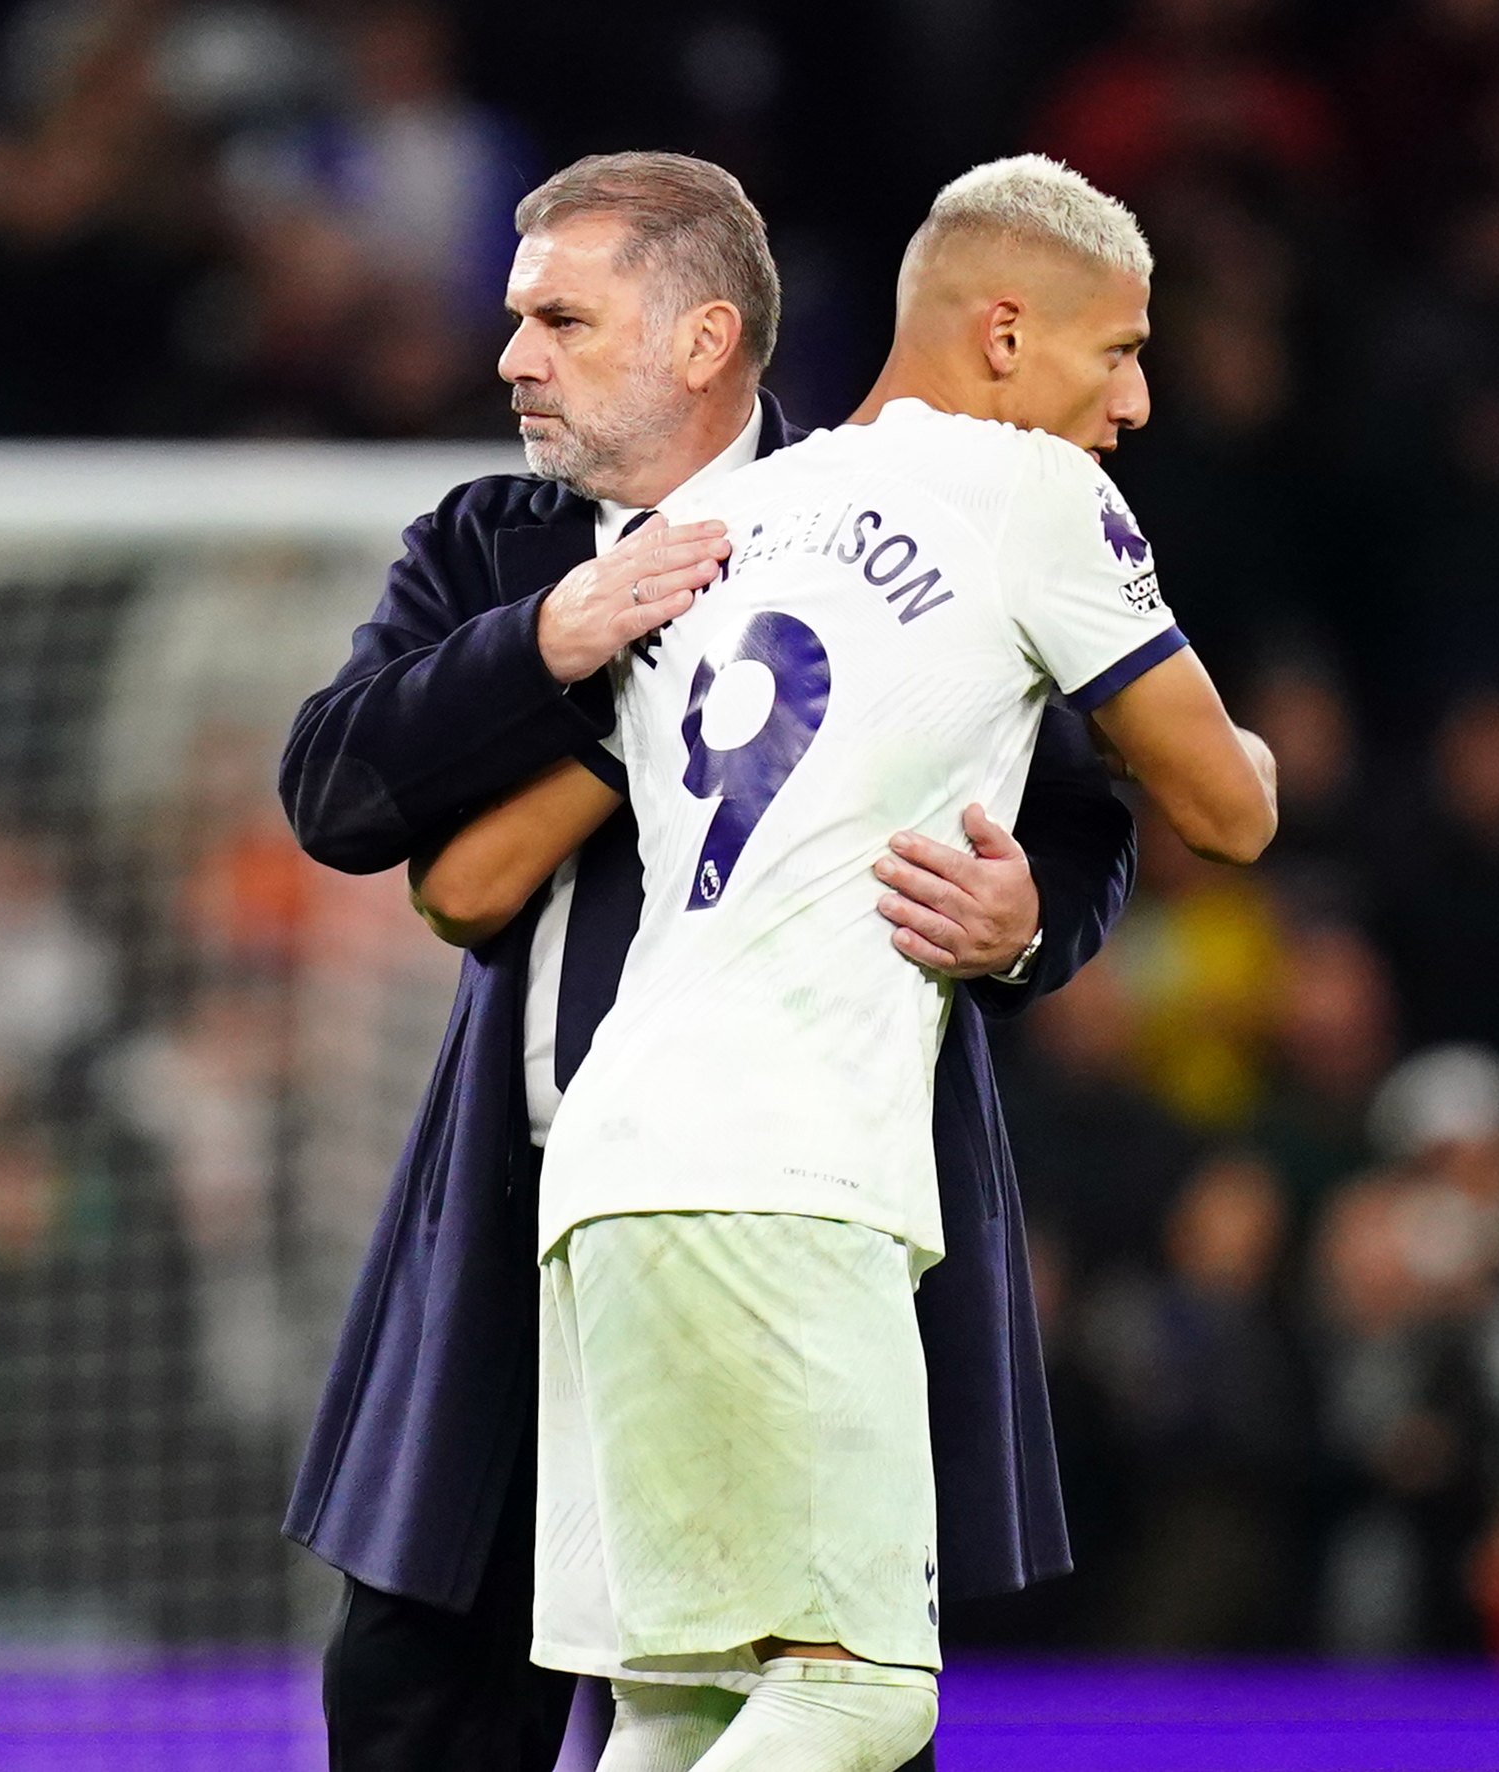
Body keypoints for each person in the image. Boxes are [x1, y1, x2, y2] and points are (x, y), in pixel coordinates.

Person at [281, 152, 1137, 1772]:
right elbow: (333, 796)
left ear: (699, 339)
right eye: (517, 318)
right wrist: (564, 628)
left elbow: (1099, 819)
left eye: (558, 318)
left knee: (813, 1707)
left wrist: (1026, 927)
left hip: (800, 1231)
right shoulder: (492, 545)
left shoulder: (916, 513)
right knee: (422, 1705)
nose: (511, 355)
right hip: (526, 1225)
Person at [502, 156, 1274, 1768]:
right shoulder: (1027, 494)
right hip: (784, 1173)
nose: (1132, 402)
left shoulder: (707, 520)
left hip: (612, 1164)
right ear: (1001, 336)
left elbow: (471, 873)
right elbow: (1230, 808)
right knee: (858, 1691)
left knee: (687, 1706)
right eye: (1114, 351)